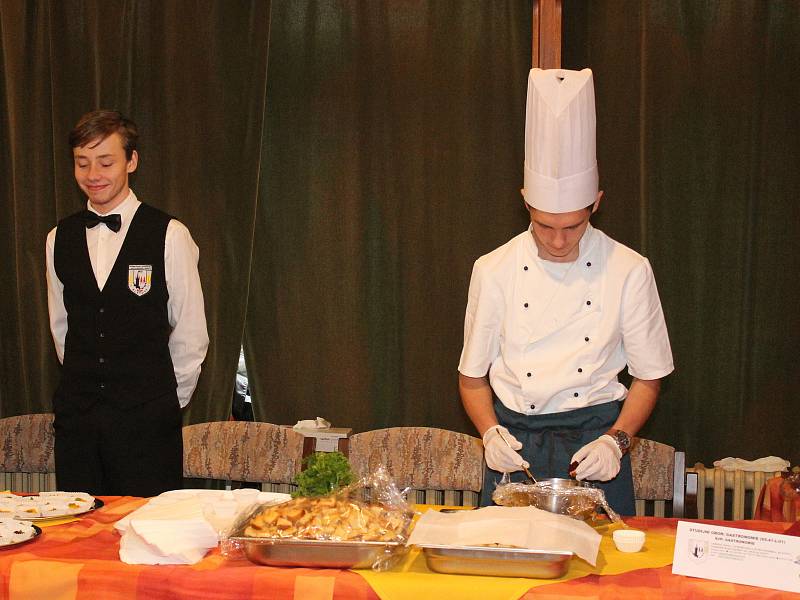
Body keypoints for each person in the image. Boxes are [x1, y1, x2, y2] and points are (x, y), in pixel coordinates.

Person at [458, 68, 674, 514]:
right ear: (524, 201)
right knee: (506, 572)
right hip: (515, 445)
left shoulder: (630, 269)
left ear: (596, 202)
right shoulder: (493, 268)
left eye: (573, 225)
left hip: (593, 444)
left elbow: (649, 376)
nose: (558, 240)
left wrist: (617, 441)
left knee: (601, 578)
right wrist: (489, 433)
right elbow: (472, 377)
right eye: (544, 226)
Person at [45, 110, 209, 496]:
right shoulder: (58, 238)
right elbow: (61, 330)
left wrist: (162, 403)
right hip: (79, 425)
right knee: (77, 540)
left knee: (146, 542)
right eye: (82, 163)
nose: (93, 174)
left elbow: (190, 334)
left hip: (147, 426)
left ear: (131, 161)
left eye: (106, 161)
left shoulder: (170, 234)